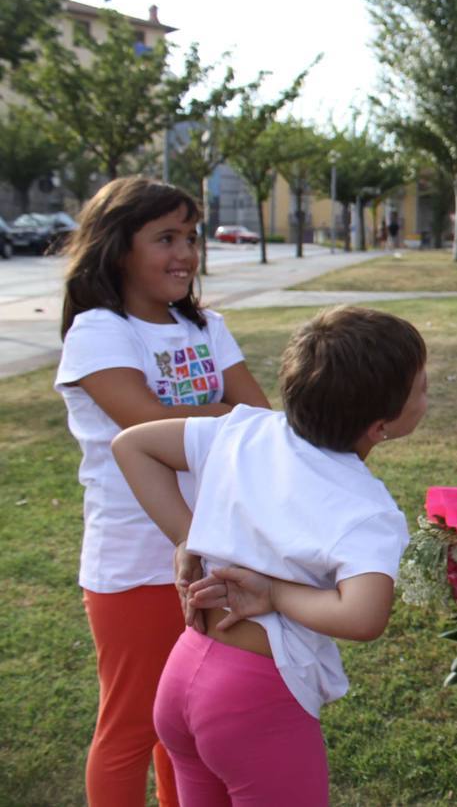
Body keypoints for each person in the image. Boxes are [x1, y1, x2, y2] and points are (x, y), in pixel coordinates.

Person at [110, 305, 427, 803]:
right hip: (254, 698)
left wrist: (185, 536)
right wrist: (275, 593)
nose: (427, 393)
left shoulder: (243, 430)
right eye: (421, 388)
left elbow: (132, 447)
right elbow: (364, 616)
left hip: (185, 669)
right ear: (379, 426)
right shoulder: (368, 510)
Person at [55, 176, 270, 807]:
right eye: (165, 238)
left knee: (187, 725)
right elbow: (147, 425)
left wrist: (217, 412)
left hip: (212, 549)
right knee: (131, 726)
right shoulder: (100, 329)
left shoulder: (206, 325)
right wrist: (223, 408)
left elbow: (259, 419)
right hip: (134, 563)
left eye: (192, 237)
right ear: (119, 248)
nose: (185, 253)